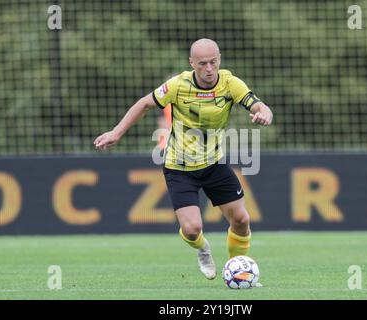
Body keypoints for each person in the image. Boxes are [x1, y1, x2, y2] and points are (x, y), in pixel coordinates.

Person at [94, 38, 273, 282]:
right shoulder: (178, 85)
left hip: (214, 164)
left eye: (213, 62)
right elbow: (144, 103)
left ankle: (236, 270)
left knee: (242, 220)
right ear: (192, 63)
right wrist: (116, 132)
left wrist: (264, 114)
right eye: (202, 64)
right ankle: (203, 250)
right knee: (192, 230)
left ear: (219, 59)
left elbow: (260, 105)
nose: (209, 69)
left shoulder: (231, 84)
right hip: (179, 167)